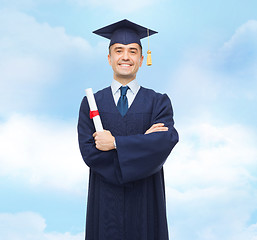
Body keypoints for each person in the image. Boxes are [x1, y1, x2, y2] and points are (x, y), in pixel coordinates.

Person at [77, 19, 179, 240]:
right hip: (105, 200)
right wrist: (143, 144)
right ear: (109, 58)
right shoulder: (91, 103)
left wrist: (115, 144)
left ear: (141, 60)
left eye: (132, 51)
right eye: (118, 51)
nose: (125, 57)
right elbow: (90, 153)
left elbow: (164, 142)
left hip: (146, 199)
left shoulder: (158, 102)